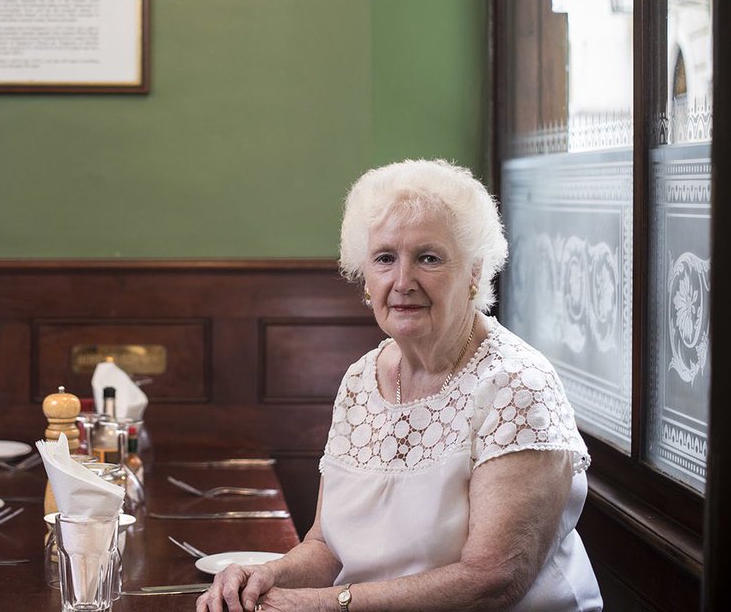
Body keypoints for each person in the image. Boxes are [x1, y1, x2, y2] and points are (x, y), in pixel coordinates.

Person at [197, 159, 602, 612]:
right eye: (385, 258)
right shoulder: (361, 379)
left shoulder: (517, 387)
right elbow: (327, 546)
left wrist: (325, 604)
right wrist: (266, 575)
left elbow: (491, 581)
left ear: (474, 272)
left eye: (428, 258)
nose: (403, 281)